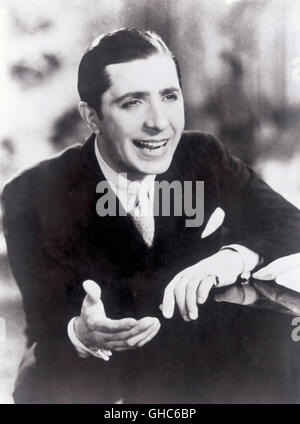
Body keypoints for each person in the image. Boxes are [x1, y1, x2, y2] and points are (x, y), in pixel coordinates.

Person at [2, 28, 300, 404]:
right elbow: (44, 332)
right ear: (91, 117)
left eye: (169, 96)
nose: (160, 122)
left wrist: (232, 257)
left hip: (196, 374)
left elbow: (291, 222)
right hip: (96, 384)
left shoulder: (202, 155)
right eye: (132, 103)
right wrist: (81, 334)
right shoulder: (31, 196)